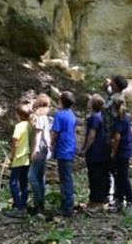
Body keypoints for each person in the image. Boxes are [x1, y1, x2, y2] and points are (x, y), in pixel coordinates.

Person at [79, 93, 110, 208]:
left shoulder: (94, 118)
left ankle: (95, 200)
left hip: (95, 152)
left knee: (94, 176)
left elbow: (92, 135)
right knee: (102, 175)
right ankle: (102, 198)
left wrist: (85, 149)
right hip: (103, 151)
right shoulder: (103, 116)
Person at [50, 90, 78, 218]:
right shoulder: (72, 114)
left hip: (63, 149)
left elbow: (55, 132)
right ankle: (67, 204)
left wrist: (50, 143)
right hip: (70, 147)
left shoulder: (59, 115)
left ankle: (67, 207)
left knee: (65, 178)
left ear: (61, 101)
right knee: (66, 177)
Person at [102, 75, 127, 207]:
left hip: (112, 138)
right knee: (110, 167)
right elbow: (109, 94)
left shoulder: (118, 100)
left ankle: (118, 197)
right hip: (108, 136)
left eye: (112, 81)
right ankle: (111, 195)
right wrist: (106, 87)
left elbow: (112, 111)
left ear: (116, 85)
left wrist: (113, 143)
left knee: (114, 168)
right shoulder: (115, 96)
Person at [5, 102, 32, 218]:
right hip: (27, 158)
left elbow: (15, 142)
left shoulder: (19, 126)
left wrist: (11, 156)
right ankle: (24, 205)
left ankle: (17, 206)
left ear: (19, 115)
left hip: (19, 158)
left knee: (13, 182)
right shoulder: (31, 126)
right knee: (24, 183)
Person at [28, 93, 52, 218]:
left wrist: (34, 151)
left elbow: (37, 135)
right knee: (40, 177)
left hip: (40, 149)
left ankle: (38, 205)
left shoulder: (40, 118)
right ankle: (41, 205)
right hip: (46, 150)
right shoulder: (46, 117)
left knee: (32, 177)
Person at [110, 98, 132, 215]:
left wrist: (113, 152)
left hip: (122, 152)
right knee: (118, 176)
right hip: (126, 150)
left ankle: (130, 202)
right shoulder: (125, 117)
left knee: (123, 177)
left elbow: (117, 138)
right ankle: (119, 200)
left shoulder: (119, 120)